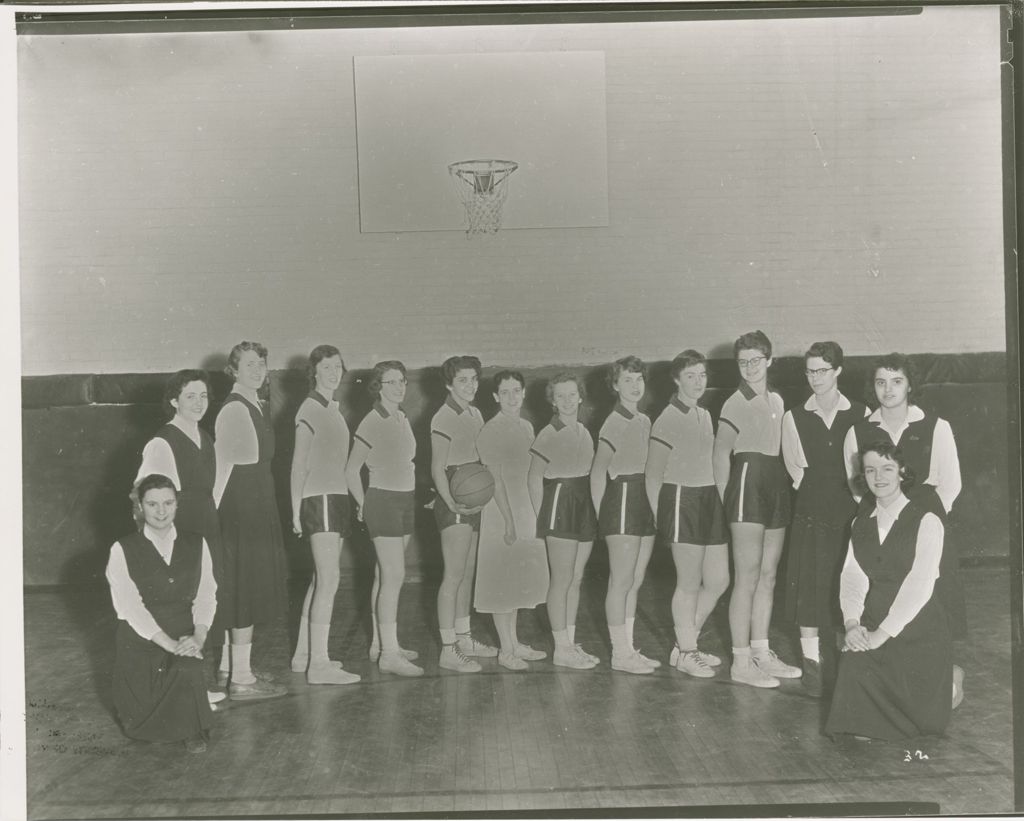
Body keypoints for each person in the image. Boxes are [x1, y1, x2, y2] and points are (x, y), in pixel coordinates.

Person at [826, 442, 953, 744]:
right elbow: (852, 578)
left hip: (920, 629)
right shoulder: (860, 523)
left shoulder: (927, 521)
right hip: (873, 619)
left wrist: (881, 635)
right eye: (870, 470)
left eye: (887, 468)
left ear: (902, 472)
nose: (878, 477)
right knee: (853, 677)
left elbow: (920, 585)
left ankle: (950, 683)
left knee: (922, 725)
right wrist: (853, 625)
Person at [842, 353, 965, 647]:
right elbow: (857, 484)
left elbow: (950, 484)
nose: (888, 389)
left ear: (910, 385)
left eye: (897, 381)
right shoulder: (858, 431)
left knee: (930, 593)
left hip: (925, 514)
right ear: (873, 387)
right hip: (879, 515)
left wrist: (925, 520)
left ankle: (945, 673)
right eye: (881, 382)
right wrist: (885, 513)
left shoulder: (937, 426)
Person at [780, 342, 868, 697]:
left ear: (838, 372)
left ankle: (849, 663)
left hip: (850, 510)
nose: (815, 378)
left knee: (847, 586)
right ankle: (812, 665)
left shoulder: (862, 414)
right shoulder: (794, 416)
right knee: (810, 587)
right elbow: (795, 469)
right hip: (812, 510)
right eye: (810, 371)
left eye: (822, 371)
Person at [134, 369, 225, 708]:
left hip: (206, 525)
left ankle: (195, 686)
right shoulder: (163, 441)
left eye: (203, 396)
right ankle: (176, 690)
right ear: (174, 401)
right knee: (177, 609)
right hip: (179, 529)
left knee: (204, 601)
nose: (199, 402)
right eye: (190, 396)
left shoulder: (205, 437)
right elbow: (147, 494)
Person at [713, 330, 798, 688]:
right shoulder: (734, 403)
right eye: (743, 362)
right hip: (746, 481)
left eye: (756, 360)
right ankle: (741, 660)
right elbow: (720, 454)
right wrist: (725, 502)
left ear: (769, 361)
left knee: (768, 574)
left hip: (775, 482)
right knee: (746, 577)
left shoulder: (777, 401)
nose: (749, 368)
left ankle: (761, 651)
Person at [107, 474, 215, 753]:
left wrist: (198, 636)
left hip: (184, 633)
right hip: (141, 641)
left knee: (188, 667)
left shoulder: (197, 543)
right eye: (152, 504)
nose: (161, 511)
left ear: (177, 504)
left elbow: (206, 593)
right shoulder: (122, 549)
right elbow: (130, 606)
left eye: (168, 503)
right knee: (141, 727)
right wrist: (170, 645)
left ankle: (191, 728)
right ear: (140, 507)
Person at [645, 350, 729, 679]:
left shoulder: (705, 415)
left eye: (702, 376)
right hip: (681, 499)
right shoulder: (667, 418)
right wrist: (660, 517)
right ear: (677, 379)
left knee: (719, 580)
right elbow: (653, 474)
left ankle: (684, 645)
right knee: (689, 582)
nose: (697, 382)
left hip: (708, 498)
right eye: (690, 376)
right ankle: (688, 649)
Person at [213, 341, 288, 700]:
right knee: (243, 588)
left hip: (257, 501)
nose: (258, 370)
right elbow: (223, 467)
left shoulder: (254, 405)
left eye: (262, 363)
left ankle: (230, 667)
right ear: (234, 370)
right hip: (242, 507)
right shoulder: (234, 410)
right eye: (250, 364)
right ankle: (241, 679)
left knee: (247, 586)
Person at [345, 361, 424, 676]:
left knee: (384, 576)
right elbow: (351, 470)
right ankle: (390, 654)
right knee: (394, 576)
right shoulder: (371, 421)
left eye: (402, 380)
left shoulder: (402, 417)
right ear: (378, 387)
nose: (399, 386)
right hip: (383, 500)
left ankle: (381, 643)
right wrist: (364, 504)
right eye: (391, 382)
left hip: (405, 500)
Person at [289, 345, 360, 685]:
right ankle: (319, 664)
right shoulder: (310, 408)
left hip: (336, 497)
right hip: (320, 499)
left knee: (321, 578)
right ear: (314, 371)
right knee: (330, 579)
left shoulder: (332, 409)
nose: (334, 371)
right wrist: (294, 511)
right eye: (326, 366)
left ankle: (304, 655)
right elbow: (297, 465)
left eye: (338, 366)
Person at [474, 370, 550, 670]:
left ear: (523, 392)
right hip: (500, 511)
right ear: (495, 397)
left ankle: (515, 643)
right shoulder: (490, 431)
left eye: (515, 390)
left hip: (524, 508)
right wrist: (507, 521)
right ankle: (506, 650)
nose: (511, 397)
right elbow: (496, 481)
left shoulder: (526, 426)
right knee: (501, 581)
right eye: (504, 392)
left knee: (517, 579)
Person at [591, 356, 658, 674]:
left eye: (639, 379)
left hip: (643, 498)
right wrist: (599, 515)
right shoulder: (612, 423)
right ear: (615, 385)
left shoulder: (644, 420)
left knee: (636, 579)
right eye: (627, 380)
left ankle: (629, 648)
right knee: (620, 581)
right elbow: (597, 472)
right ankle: (619, 653)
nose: (635, 386)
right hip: (621, 499)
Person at [430, 355, 497, 673]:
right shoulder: (443, 417)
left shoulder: (475, 413)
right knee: (453, 575)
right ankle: (447, 648)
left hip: (474, 496)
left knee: (468, 573)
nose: (470, 386)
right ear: (449, 384)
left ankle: (465, 637)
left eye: (473, 379)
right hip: (453, 497)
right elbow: (436, 467)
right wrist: (450, 502)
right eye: (462, 380)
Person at [528, 372, 599, 669]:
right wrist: (541, 518)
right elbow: (533, 478)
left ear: (580, 397)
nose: (568, 401)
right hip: (560, 500)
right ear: (553, 402)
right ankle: (561, 648)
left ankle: (570, 643)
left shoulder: (583, 430)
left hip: (583, 500)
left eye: (572, 395)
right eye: (561, 396)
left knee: (576, 577)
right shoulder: (548, 433)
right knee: (561, 579)